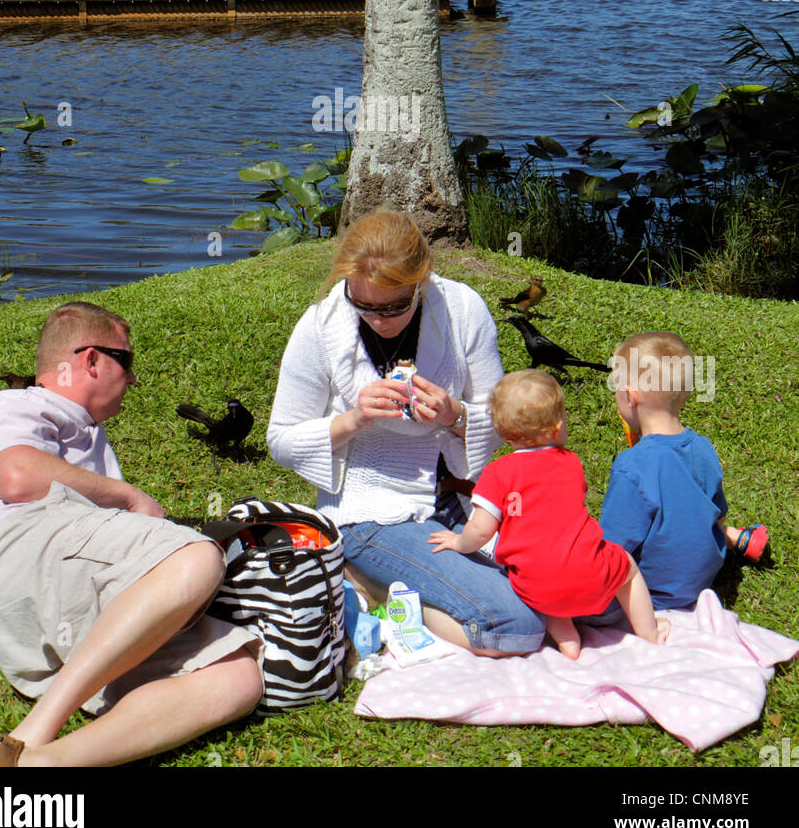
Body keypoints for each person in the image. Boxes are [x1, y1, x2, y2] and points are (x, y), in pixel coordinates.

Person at [0, 301, 262, 768]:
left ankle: (31, 765)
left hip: (59, 610)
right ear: (89, 359)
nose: (132, 379)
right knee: (196, 556)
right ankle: (33, 732)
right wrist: (128, 497)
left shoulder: (90, 437)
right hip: (13, 556)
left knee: (238, 678)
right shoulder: (16, 404)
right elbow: (17, 476)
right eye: (126, 362)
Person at [267, 209, 545, 656]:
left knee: (582, 594)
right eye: (364, 306)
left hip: (463, 501)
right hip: (372, 510)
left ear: (423, 280)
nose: (380, 320)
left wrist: (455, 416)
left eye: (396, 305)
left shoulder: (461, 310)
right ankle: (368, 583)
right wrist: (354, 419)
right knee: (515, 624)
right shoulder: (320, 327)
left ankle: (391, 583)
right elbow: (280, 439)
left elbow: (503, 422)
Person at [428, 369, 668, 658]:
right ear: (557, 427)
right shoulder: (570, 462)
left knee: (539, 570)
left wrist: (458, 543)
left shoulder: (496, 474)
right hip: (592, 577)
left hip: (537, 589)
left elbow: (480, 531)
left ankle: (568, 641)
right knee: (626, 566)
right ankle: (649, 632)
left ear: (503, 432)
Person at [598, 331, 768, 613]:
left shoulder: (631, 465)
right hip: (701, 581)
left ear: (630, 396)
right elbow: (719, 514)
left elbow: (614, 549)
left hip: (648, 594)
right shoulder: (703, 447)